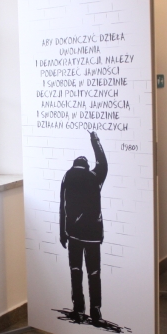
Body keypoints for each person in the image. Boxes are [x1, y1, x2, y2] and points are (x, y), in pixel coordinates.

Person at [60, 131, 108, 323]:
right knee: (94, 273)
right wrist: (94, 139)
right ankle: (95, 310)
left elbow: (62, 206)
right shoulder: (94, 177)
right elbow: (103, 163)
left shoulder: (68, 176)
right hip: (93, 234)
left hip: (73, 234)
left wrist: (62, 233)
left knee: (75, 270)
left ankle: (78, 308)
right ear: (87, 166)